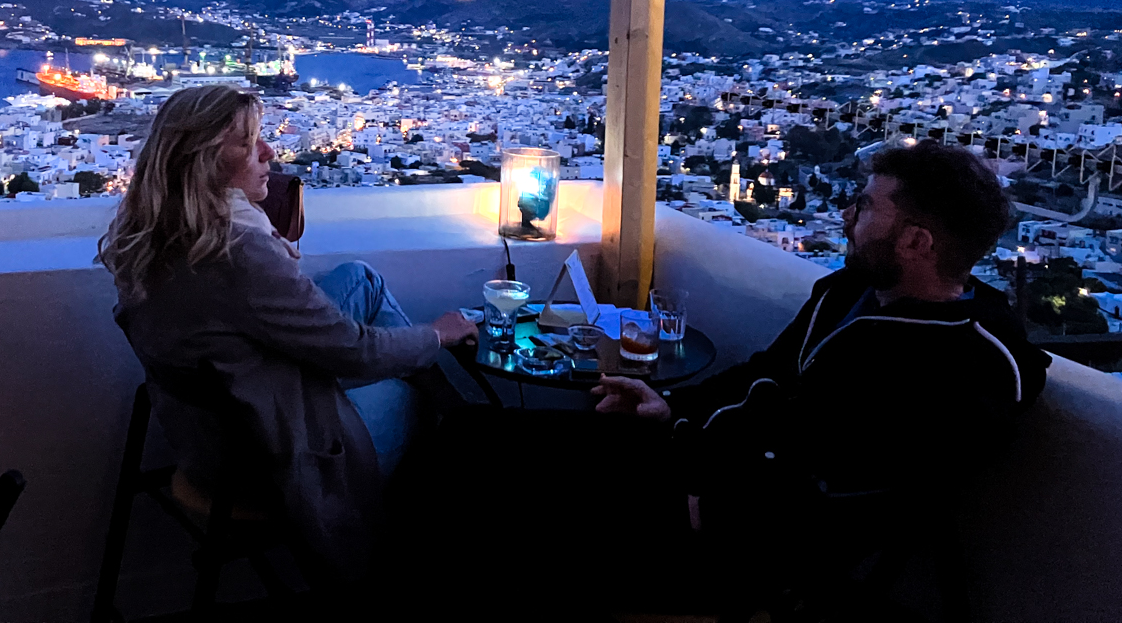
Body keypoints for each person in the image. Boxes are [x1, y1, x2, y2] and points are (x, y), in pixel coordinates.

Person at [418, 140, 1049, 619]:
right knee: (472, 438)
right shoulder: (847, 293)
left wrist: (716, 493)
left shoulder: (967, 363)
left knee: (503, 517)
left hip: (742, 531)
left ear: (915, 240)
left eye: (867, 206)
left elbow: (870, 483)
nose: (848, 215)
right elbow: (763, 377)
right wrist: (669, 409)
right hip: (697, 464)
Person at [98, 85, 477, 581]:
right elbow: (355, 352)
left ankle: (462, 419)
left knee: (359, 279)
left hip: (208, 428)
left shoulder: (156, 230)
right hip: (265, 454)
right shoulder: (237, 252)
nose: (268, 153)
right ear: (206, 161)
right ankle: (409, 546)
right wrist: (438, 335)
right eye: (248, 143)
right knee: (413, 394)